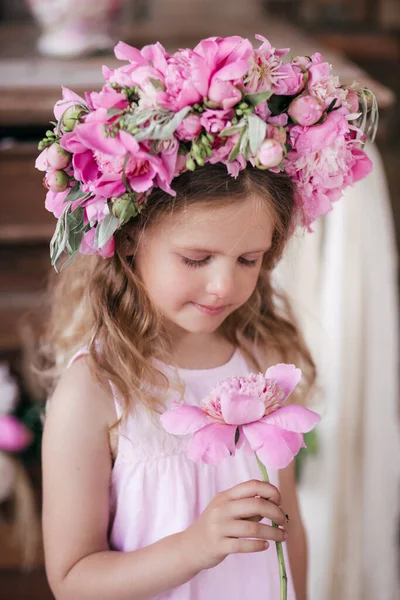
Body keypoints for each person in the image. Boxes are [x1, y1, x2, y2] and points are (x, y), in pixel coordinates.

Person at [36, 34, 375, 600]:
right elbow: (72, 579)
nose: (225, 285)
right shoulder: (96, 391)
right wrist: (197, 546)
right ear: (127, 243)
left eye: (250, 259)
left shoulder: (264, 361)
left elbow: (288, 524)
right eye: (196, 259)